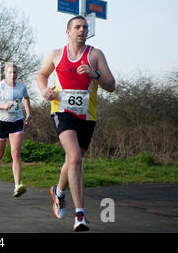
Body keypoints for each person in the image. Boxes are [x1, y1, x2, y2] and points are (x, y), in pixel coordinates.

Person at [36, 15, 115, 232]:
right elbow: (41, 75)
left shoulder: (95, 55)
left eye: (85, 27)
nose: (82, 30)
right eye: (77, 27)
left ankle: (58, 191)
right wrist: (44, 91)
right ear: (68, 32)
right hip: (62, 111)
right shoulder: (56, 54)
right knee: (75, 157)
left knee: (73, 159)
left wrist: (95, 73)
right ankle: (80, 214)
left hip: (87, 116)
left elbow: (111, 85)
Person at [0, 63, 31, 197]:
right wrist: (2, 106)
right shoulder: (0, 87)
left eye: (15, 72)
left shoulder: (21, 86)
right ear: (6, 73)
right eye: (10, 72)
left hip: (17, 122)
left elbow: (26, 98)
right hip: (2, 123)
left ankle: (17, 186)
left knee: (16, 153)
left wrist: (28, 113)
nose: (13, 75)